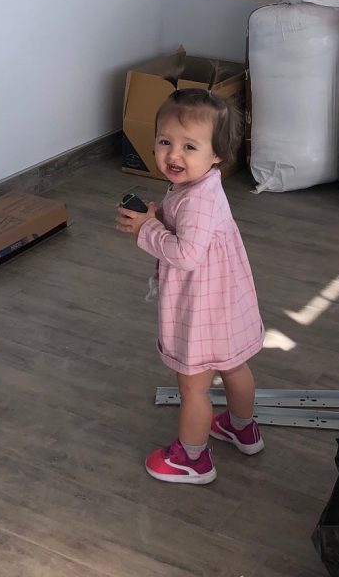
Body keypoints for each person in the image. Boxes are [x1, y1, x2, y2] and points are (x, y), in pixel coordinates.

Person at [115, 88, 265, 484]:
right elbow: (183, 226)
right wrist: (156, 217)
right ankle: (243, 428)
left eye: (189, 146)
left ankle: (193, 459)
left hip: (201, 309)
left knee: (193, 386)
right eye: (165, 142)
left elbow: (185, 254)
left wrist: (146, 230)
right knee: (234, 366)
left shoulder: (196, 198)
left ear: (216, 154)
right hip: (225, 302)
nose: (173, 155)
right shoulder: (200, 186)